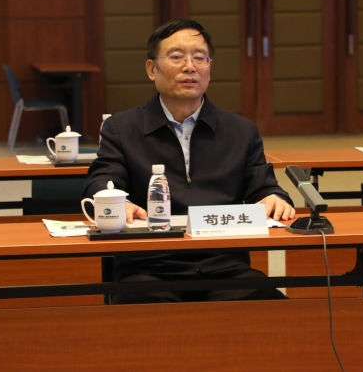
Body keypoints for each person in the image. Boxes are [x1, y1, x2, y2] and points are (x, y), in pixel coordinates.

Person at [84, 19, 296, 304]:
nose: (190, 66)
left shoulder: (240, 130)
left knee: (263, 303)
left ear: (209, 68)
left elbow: (265, 186)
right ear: (151, 69)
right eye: (176, 57)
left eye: (200, 57)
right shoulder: (122, 129)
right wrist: (115, 202)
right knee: (142, 304)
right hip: (149, 266)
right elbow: (101, 181)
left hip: (225, 265)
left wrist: (274, 198)